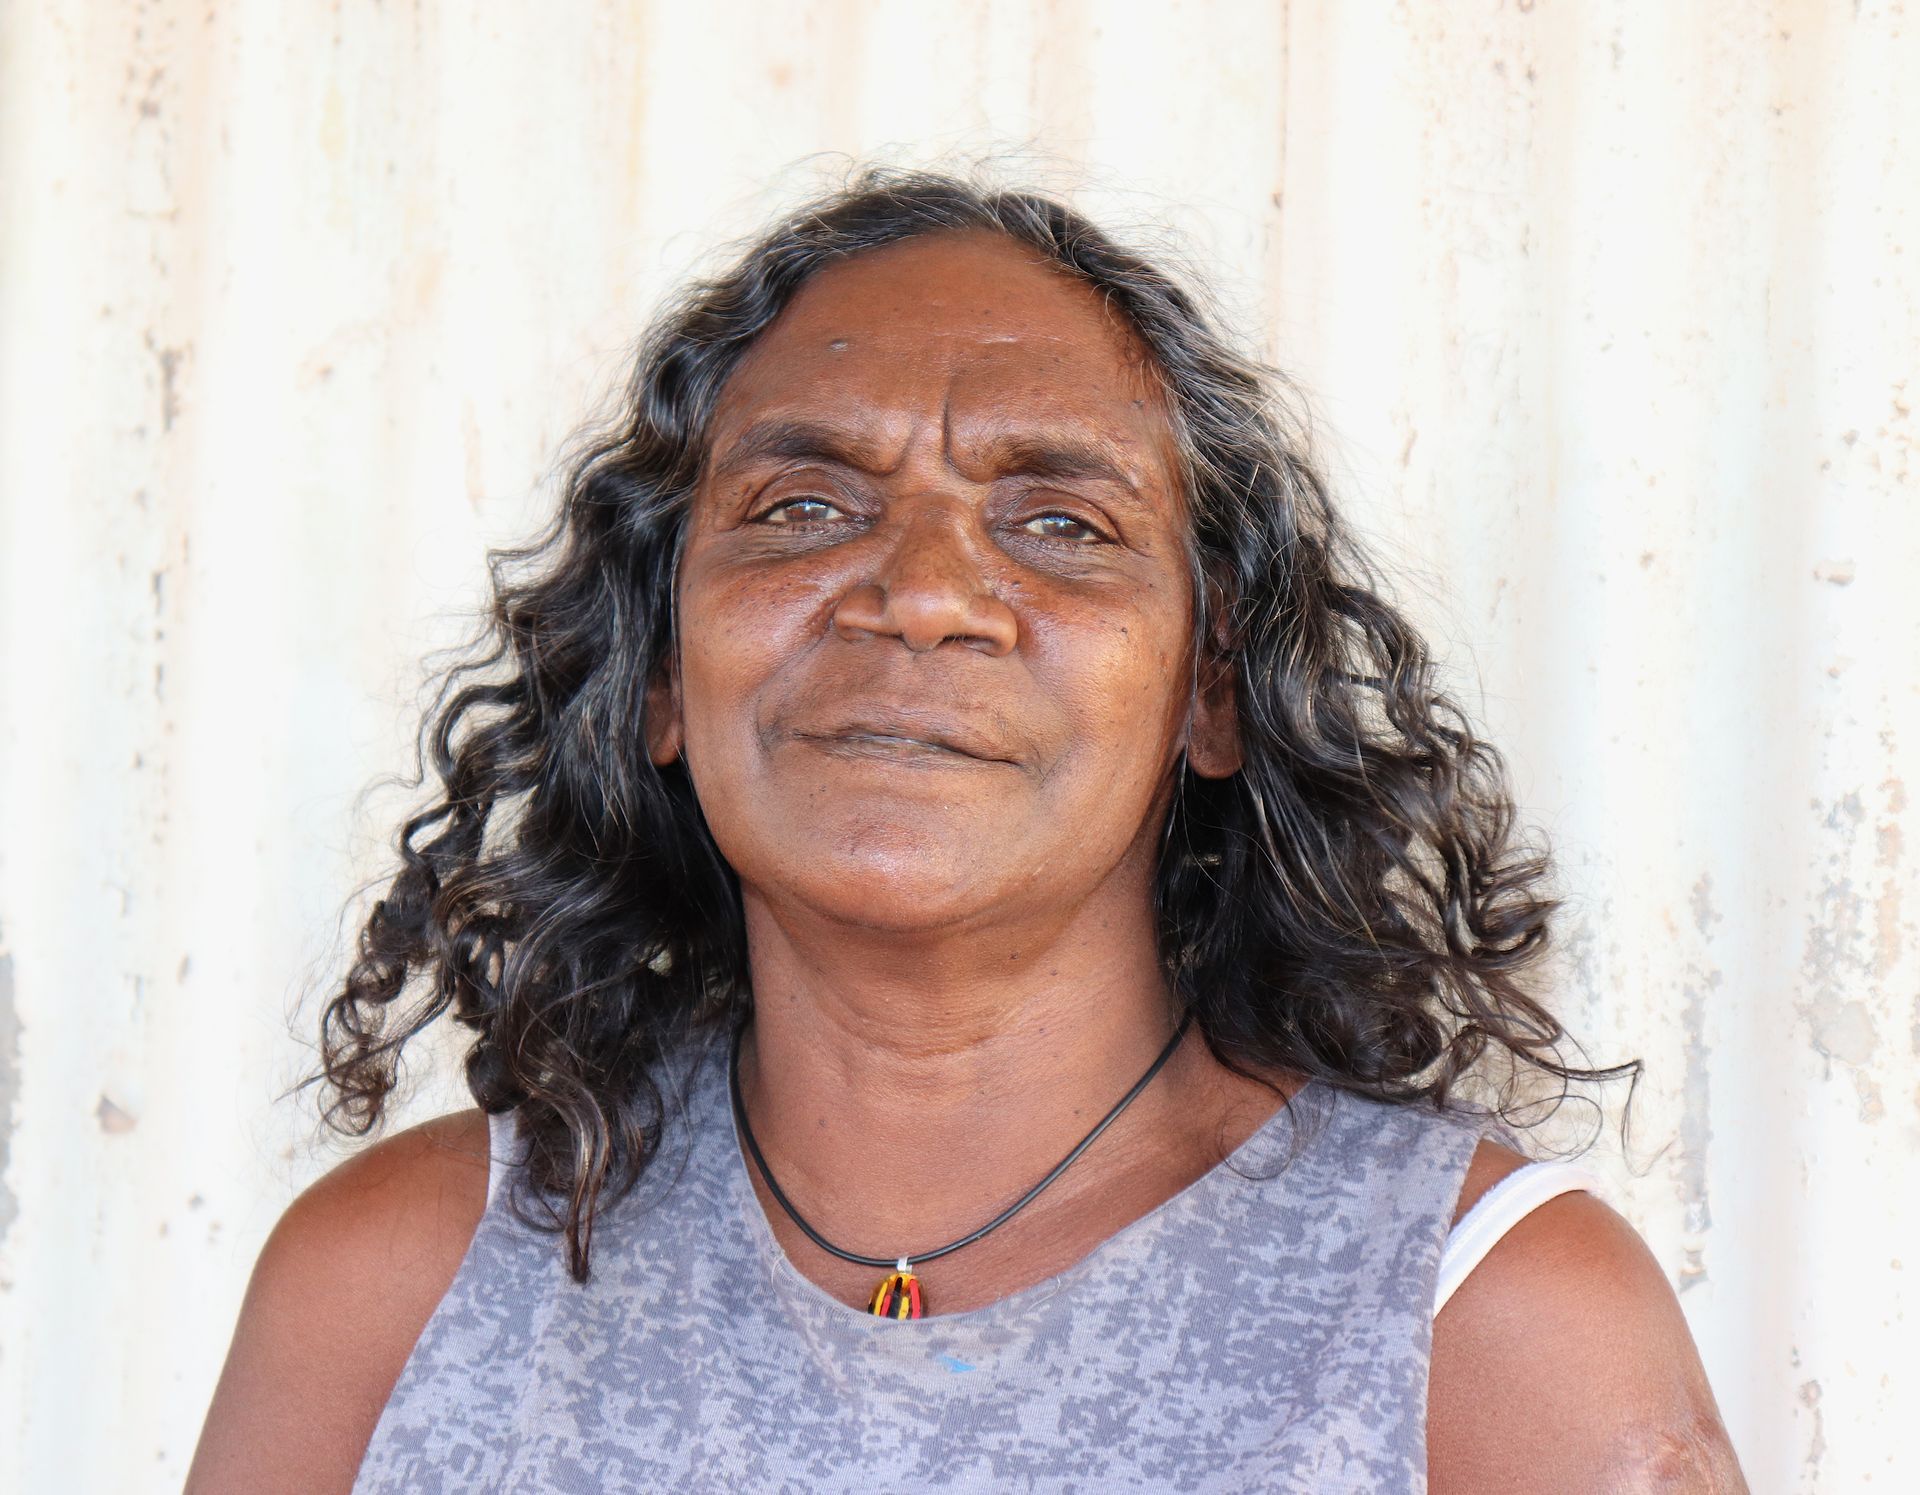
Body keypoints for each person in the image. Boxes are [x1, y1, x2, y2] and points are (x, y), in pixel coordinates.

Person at [187, 169, 1745, 1492]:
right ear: (662, 669)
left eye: (1061, 524)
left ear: (1212, 695)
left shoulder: (1479, 1321)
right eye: (803, 506)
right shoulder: (400, 1290)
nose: (920, 590)